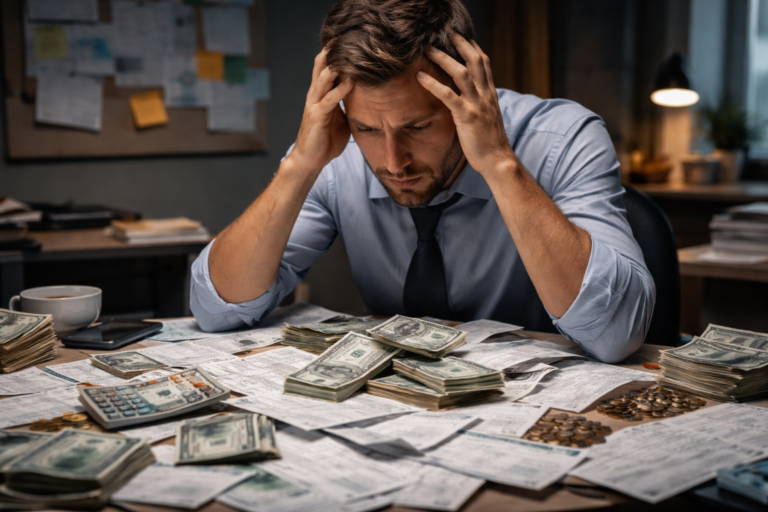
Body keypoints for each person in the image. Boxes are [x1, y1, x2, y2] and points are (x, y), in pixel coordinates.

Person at [190, 0, 655, 363]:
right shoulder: (333, 146)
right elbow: (216, 310)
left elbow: (616, 335)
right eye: (368, 129)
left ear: (466, 92)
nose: (394, 161)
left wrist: (498, 162)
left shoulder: (563, 138)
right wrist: (299, 168)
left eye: (418, 127)